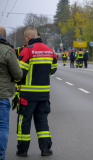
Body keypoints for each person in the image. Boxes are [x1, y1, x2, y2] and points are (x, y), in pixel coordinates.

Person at [16, 27, 57, 157]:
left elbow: (20, 72)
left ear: (28, 37)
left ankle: (22, 150)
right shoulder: (50, 51)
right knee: (42, 122)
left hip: (27, 95)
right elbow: (53, 69)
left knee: (24, 122)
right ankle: (45, 149)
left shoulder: (27, 50)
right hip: (44, 94)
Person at [0, 25, 23, 160]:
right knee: (2, 126)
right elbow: (18, 74)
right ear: (5, 35)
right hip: (2, 95)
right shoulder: (7, 51)